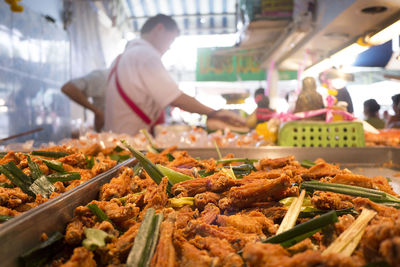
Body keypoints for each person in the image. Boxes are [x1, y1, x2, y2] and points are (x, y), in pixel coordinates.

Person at [104, 14, 246, 135]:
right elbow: (174, 97)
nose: (169, 46)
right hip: (130, 143)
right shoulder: (145, 55)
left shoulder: (123, 57)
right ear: (159, 29)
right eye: (171, 39)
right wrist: (214, 113)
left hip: (116, 139)